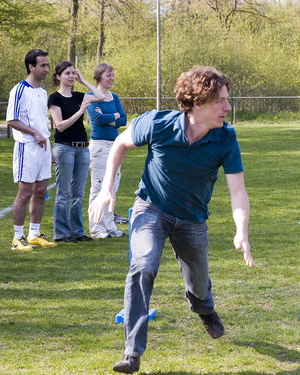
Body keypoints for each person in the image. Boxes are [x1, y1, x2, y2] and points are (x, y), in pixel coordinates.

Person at [89, 66, 254, 374]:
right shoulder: (159, 123)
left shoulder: (225, 138)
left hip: (192, 220)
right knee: (143, 264)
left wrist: (241, 230)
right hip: (151, 209)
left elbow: (238, 192)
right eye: (221, 101)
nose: (227, 107)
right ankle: (132, 352)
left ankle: (204, 308)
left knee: (198, 286)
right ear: (198, 102)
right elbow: (121, 144)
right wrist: (106, 190)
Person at [6, 49, 57, 251]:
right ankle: (17, 238)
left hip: (43, 148)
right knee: (24, 193)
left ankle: (34, 234)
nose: (47, 69)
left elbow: (42, 122)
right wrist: (34, 133)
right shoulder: (19, 90)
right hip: (26, 147)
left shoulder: (42, 92)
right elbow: (12, 120)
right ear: (31, 67)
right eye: (43, 65)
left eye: (47, 64)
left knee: (41, 191)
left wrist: (48, 145)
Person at [48, 61, 105, 243]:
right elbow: (60, 126)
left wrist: (83, 81)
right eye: (67, 73)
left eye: (73, 73)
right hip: (64, 148)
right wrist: (81, 110)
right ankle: (62, 234)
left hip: (82, 149)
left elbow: (100, 96)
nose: (71, 76)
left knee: (78, 194)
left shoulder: (80, 95)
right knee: (64, 193)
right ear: (58, 77)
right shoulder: (54, 98)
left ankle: (78, 232)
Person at [86, 63, 127, 239]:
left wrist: (114, 118)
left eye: (112, 75)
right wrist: (113, 117)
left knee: (112, 186)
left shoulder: (114, 97)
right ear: (99, 77)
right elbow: (97, 119)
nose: (112, 78)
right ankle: (97, 228)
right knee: (99, 186)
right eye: (108, 75)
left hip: (115, 145)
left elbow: (123, 119)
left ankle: (109, 226)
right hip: (99, 146)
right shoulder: (90, 96)